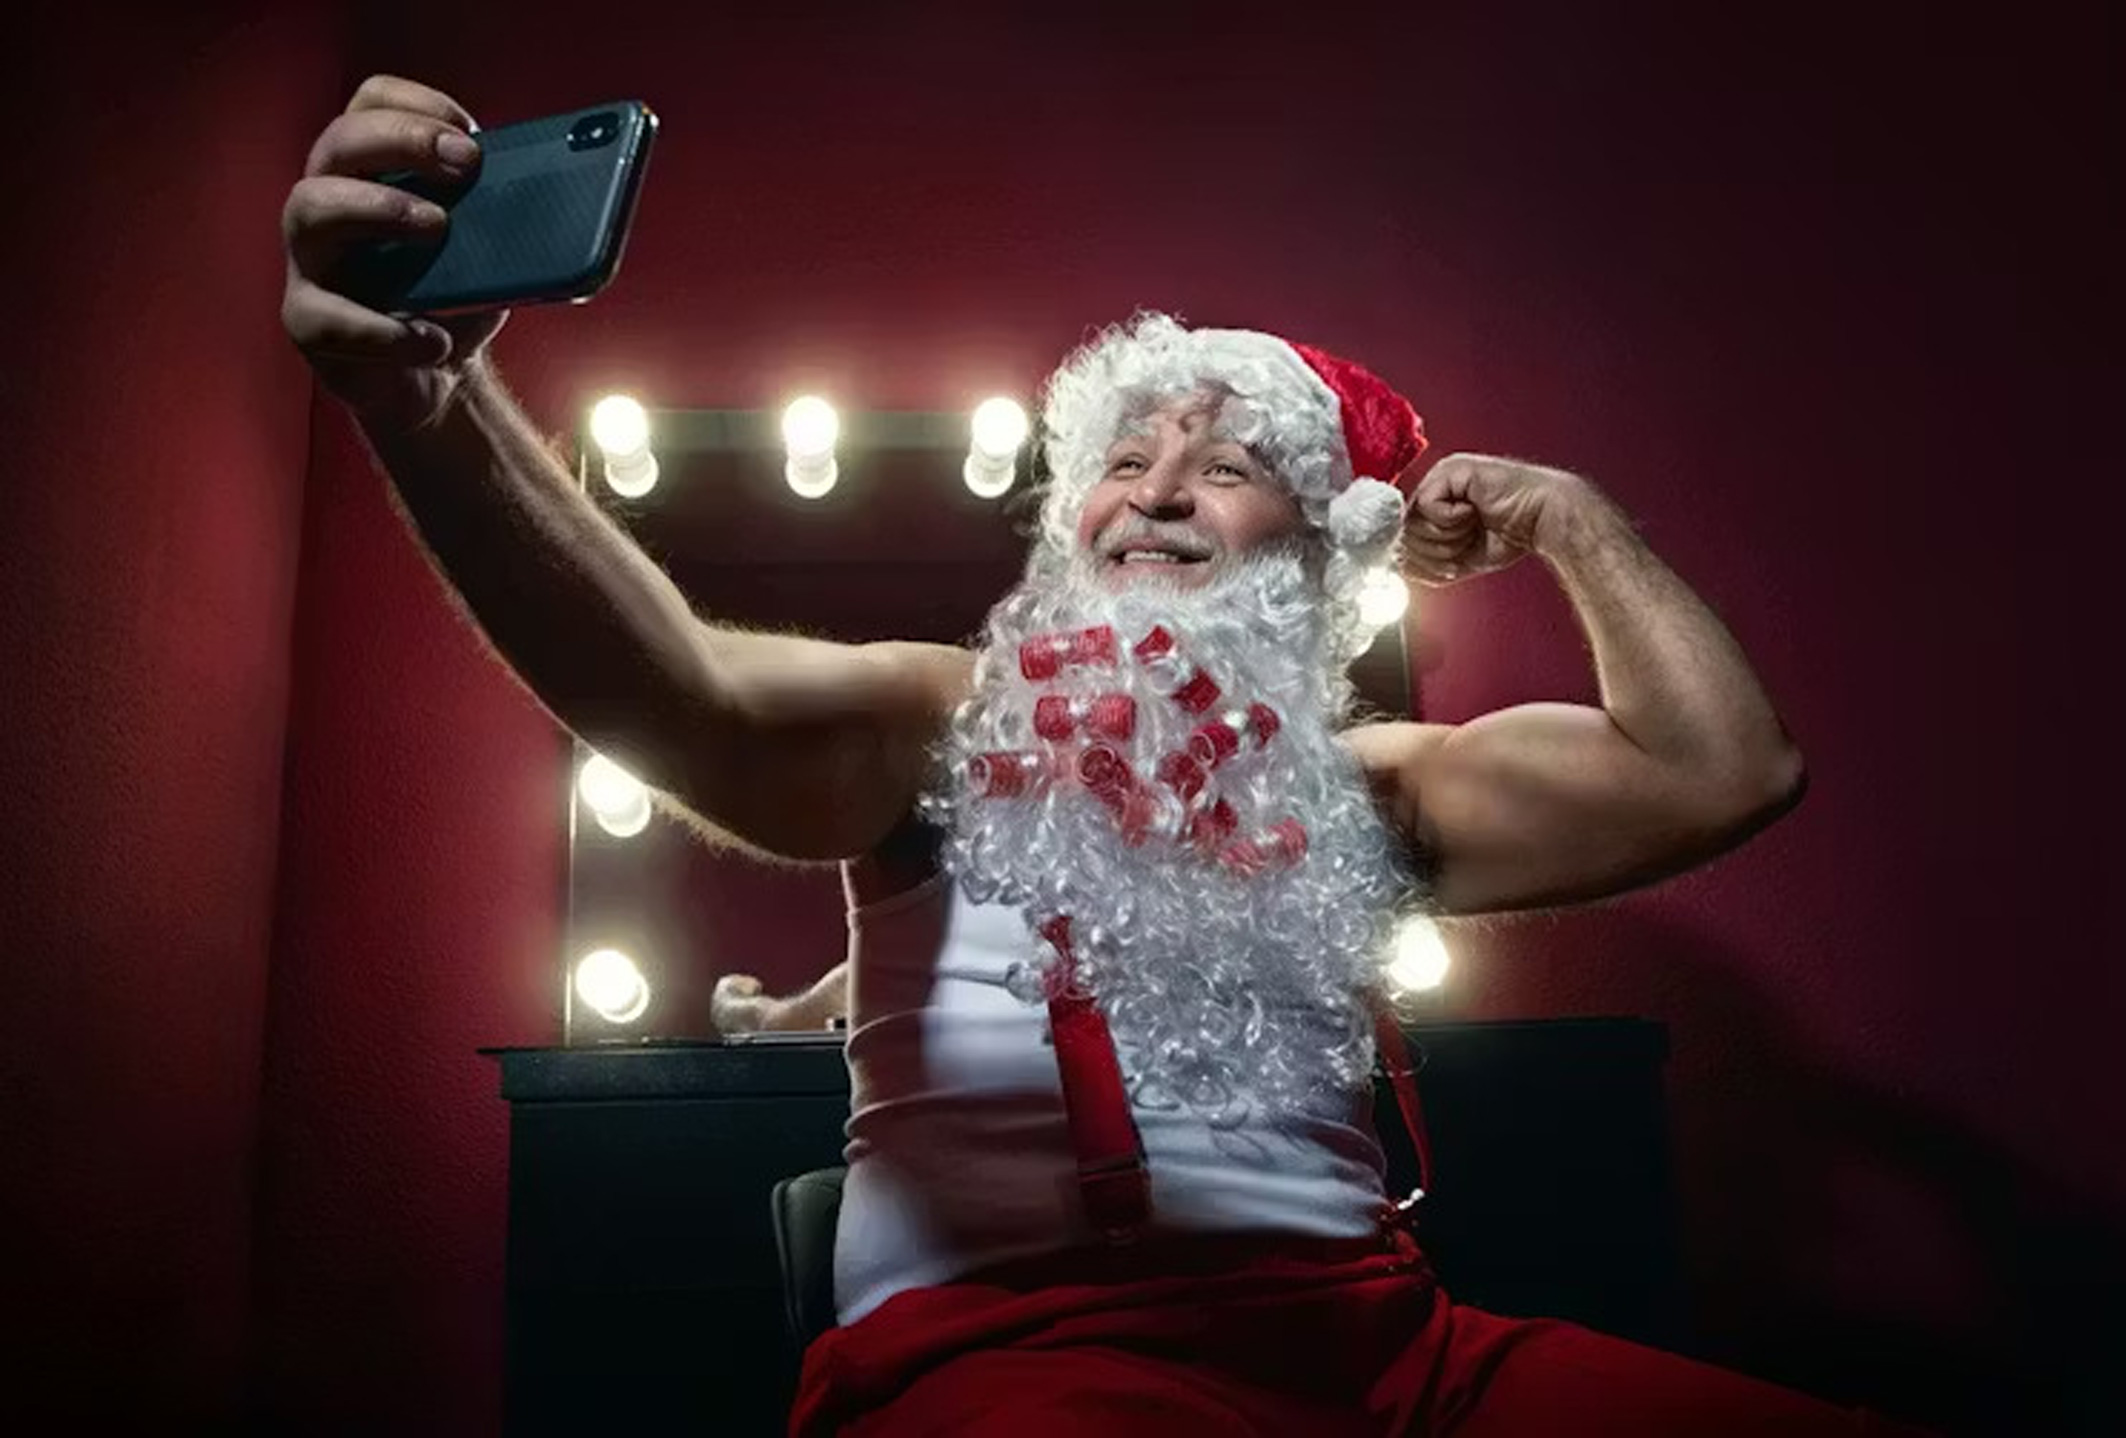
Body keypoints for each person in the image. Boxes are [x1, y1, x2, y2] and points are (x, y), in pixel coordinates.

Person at [284, 74, 1934, 1438]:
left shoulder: (1381, 788)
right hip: (1017, 1362)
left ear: (1321, 548)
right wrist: (426, 404)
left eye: (1224, 465)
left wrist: (1567, 514)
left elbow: (1726, 768)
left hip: (1393, 1358)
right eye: (1125, 457)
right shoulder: (954, 717)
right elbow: (691, 701)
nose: (1154, 488)